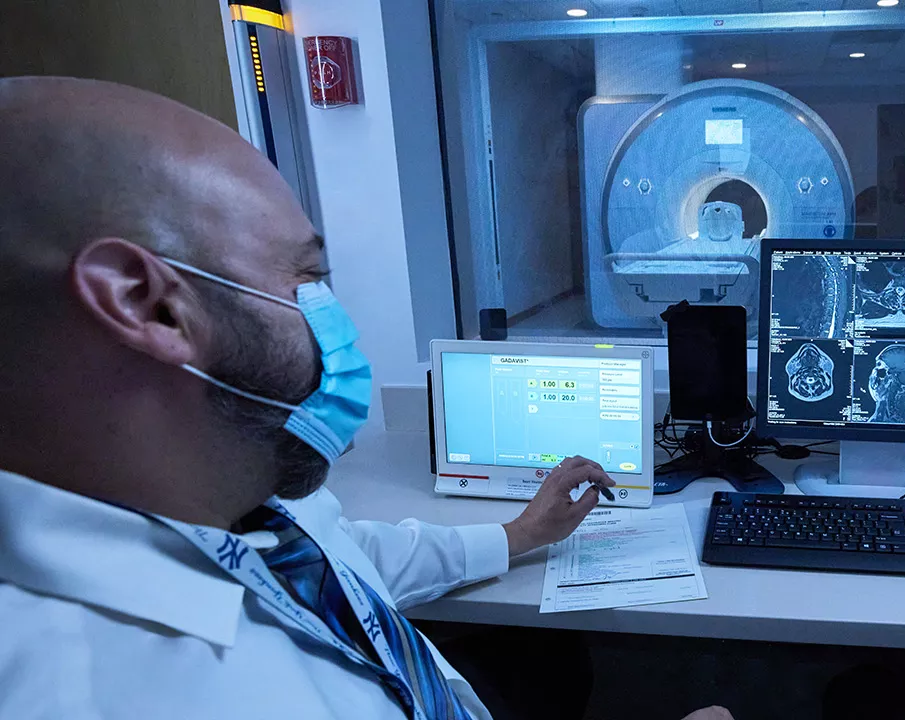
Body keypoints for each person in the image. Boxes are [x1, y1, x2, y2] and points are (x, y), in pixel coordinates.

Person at [0, 76, 729, 720]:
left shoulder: (223, 494)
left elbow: (341, 553)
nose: (336, 315)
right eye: (307, 278)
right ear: (148, 303)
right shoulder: (106, 689)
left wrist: (517, 535)